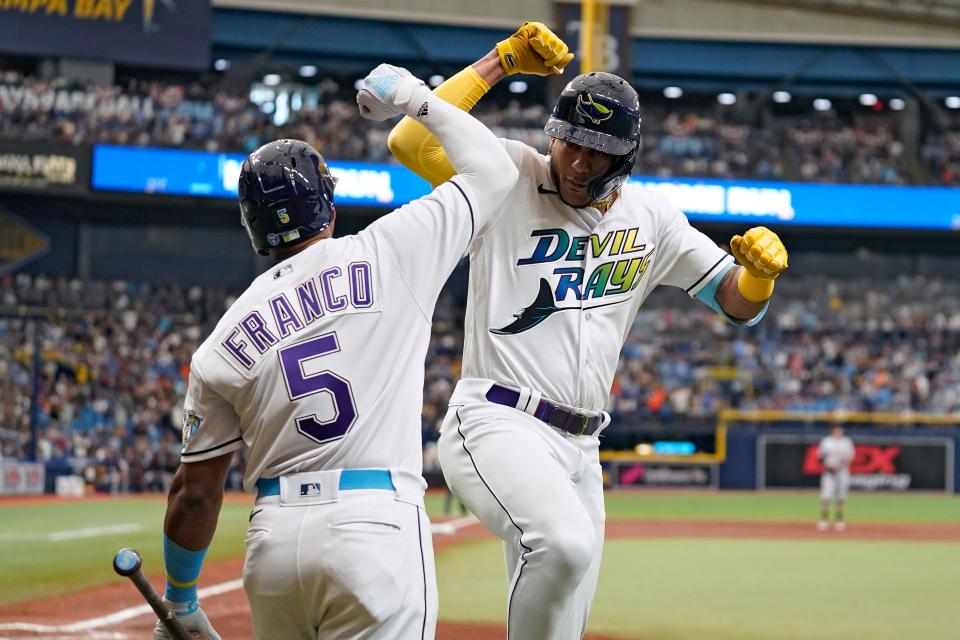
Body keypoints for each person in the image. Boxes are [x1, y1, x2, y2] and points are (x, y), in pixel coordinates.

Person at [388, 22, 789, 640]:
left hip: (582, 448)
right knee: (564, 546)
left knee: (566, 621)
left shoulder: (652, 217)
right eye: (568, 142)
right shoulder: (511, 175)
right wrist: (501, 62)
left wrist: (758, 279)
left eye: (594, 150)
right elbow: (411, 138)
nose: (575, 160)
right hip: (497, 419)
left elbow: (734, 302)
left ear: (623, 158)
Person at [152, 63, 518, 640]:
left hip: (274, 544)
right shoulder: (392, 248)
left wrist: (180, 599)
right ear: (327, 203)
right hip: (375, 524)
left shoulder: (219, 342)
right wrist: (414, 98)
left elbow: (195, 495)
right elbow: (495, 169)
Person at [817, 423, 856, 532]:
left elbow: (851, 457)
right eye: (836, 430)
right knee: (826, 496)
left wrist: (840, 463)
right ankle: (824, 520)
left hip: (842, 472)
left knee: (841, 497)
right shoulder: (826, 442)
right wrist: (828, 466)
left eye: (840, 431)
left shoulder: (846, 442)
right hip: (829, 473)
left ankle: (839, 520)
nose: (839, 432)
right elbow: (820, 457)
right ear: (832, 431)